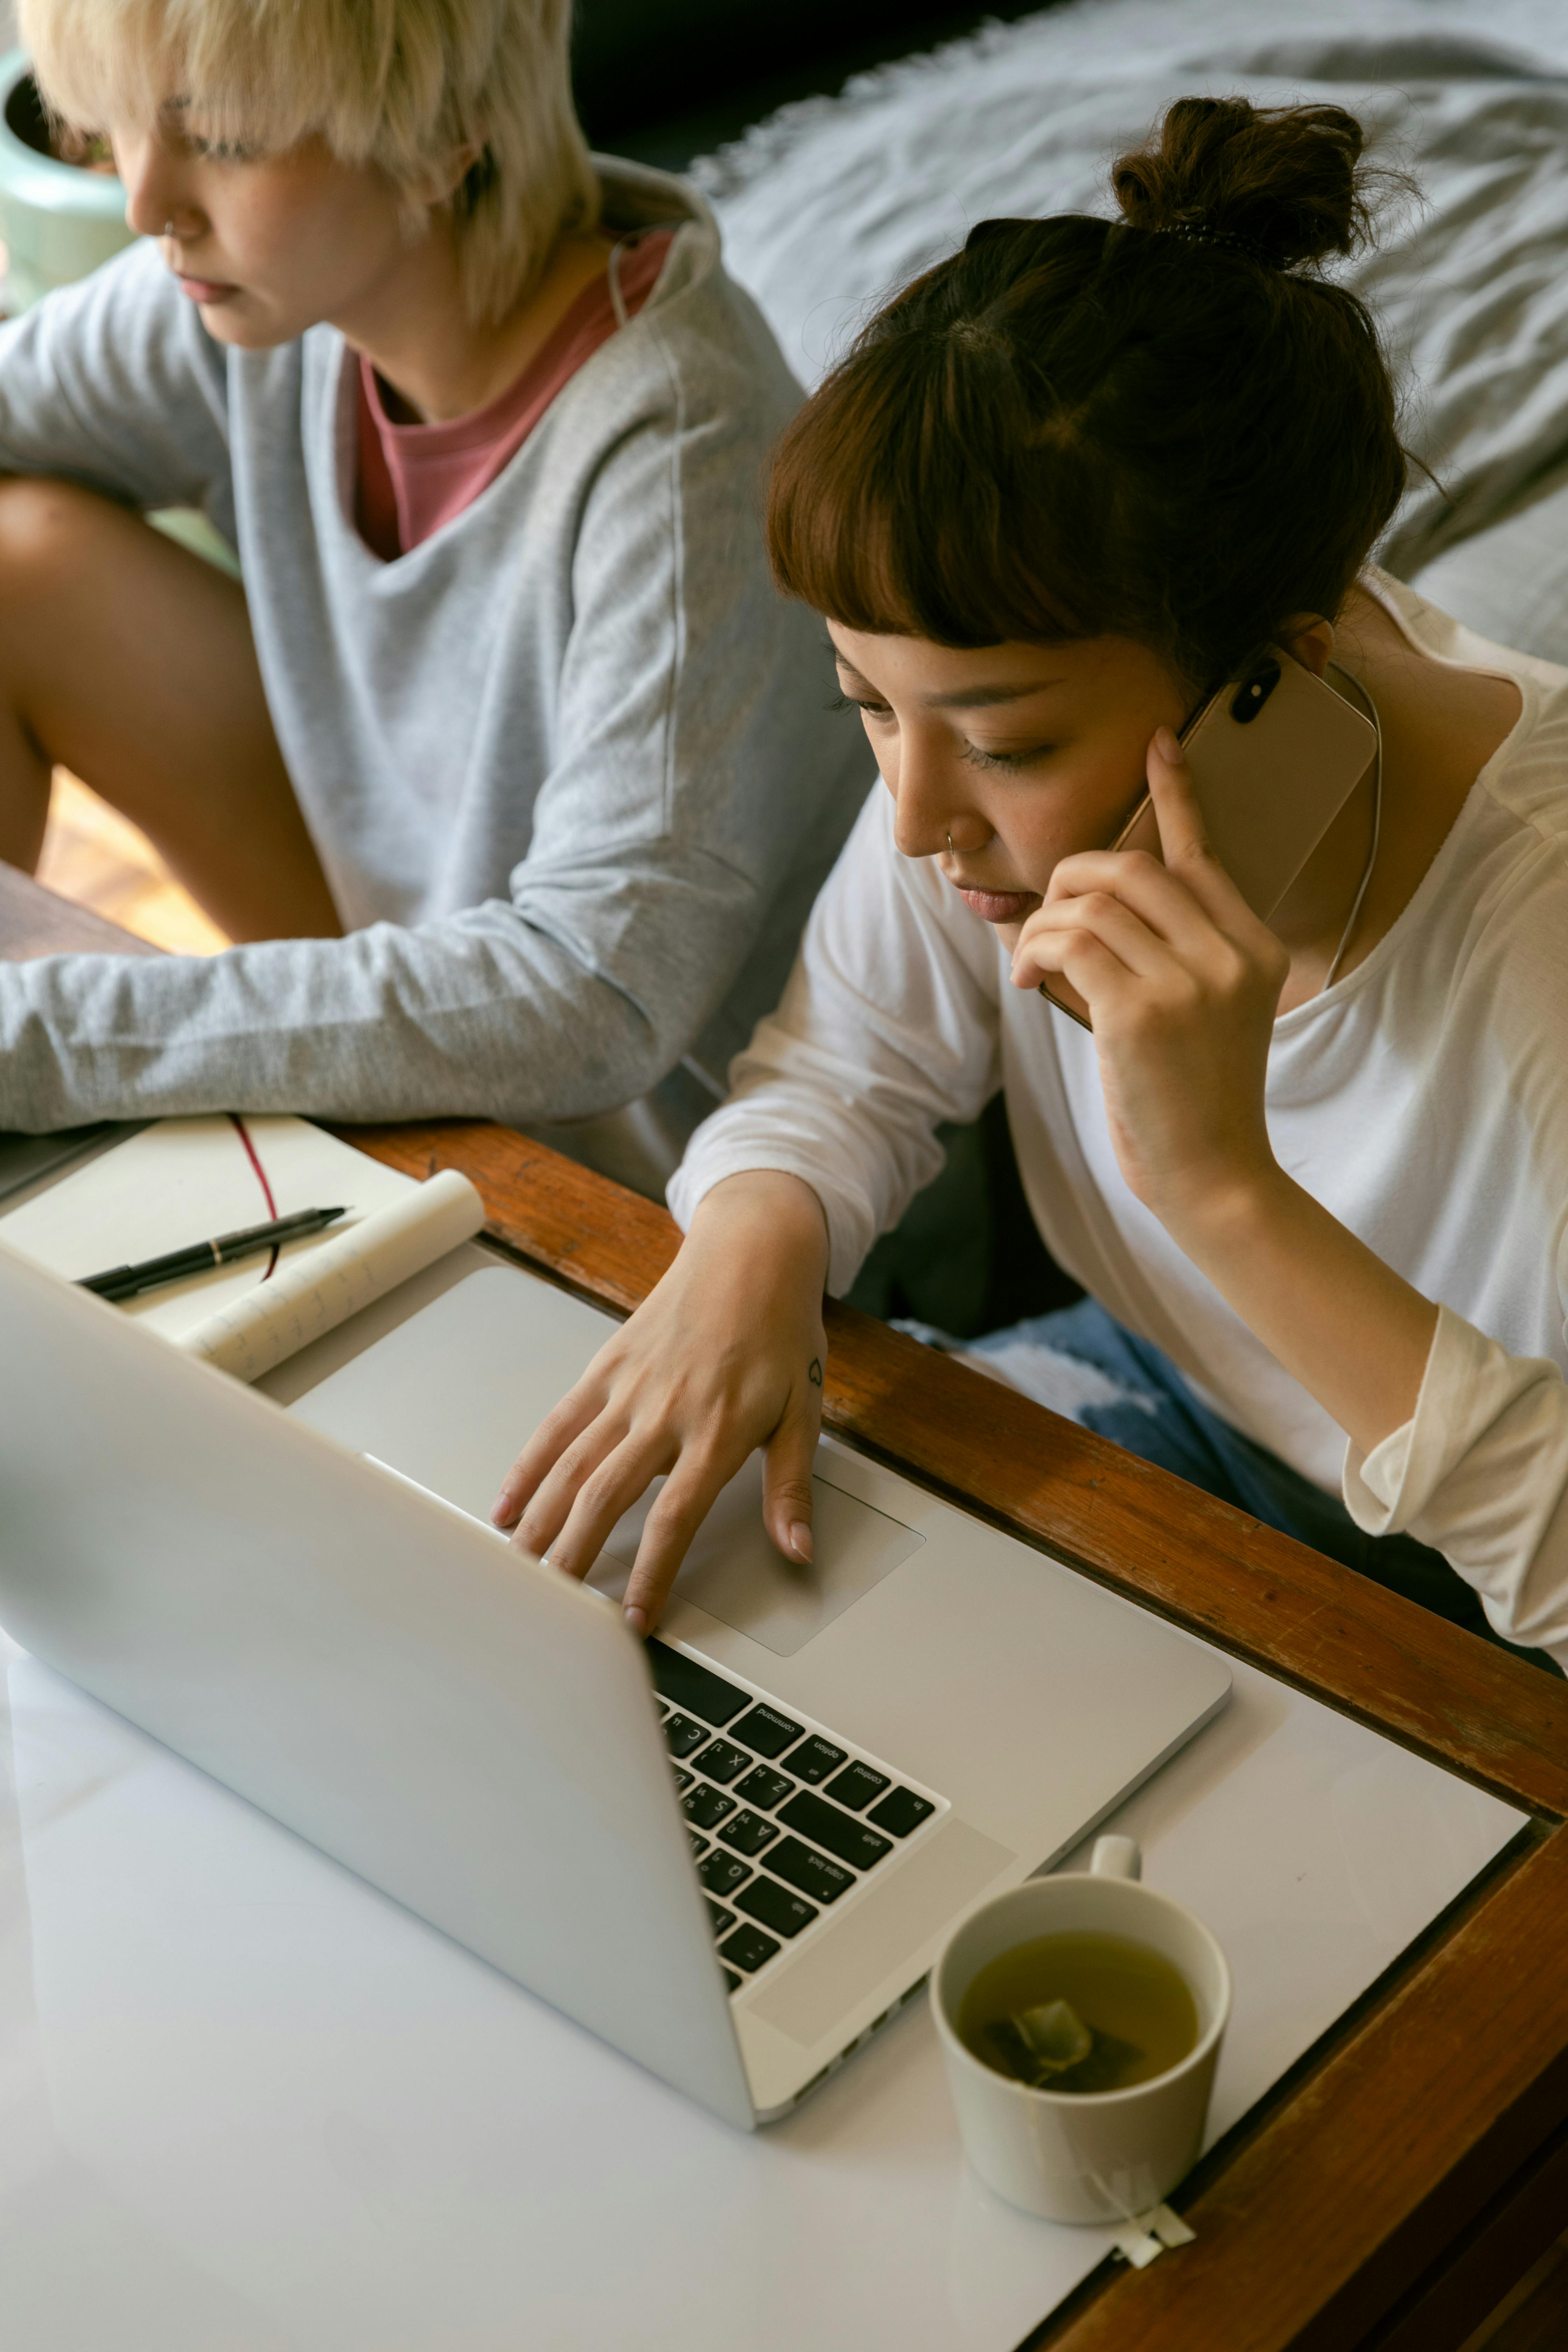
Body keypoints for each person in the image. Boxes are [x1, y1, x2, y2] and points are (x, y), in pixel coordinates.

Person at [492, 96, 1568, 1673]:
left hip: (1477, 1605)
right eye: (865, 704)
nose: (918, 816)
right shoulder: (1004, 752)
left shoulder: (1531, 965)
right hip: (1163, 1401)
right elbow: (844, 1071)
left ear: (1274, 674)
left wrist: (1220, 1183)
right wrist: (751, 1244)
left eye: (998, 742)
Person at [0, 0, 868, 1192]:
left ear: (445, 134)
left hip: (686, 1170)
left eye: (224, 139)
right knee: (18, 559)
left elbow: (593, 995)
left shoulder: (683, 446)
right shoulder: (259, 299)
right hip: (428, 963)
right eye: (113, 130)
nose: (148, 207)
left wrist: (50, 1039)